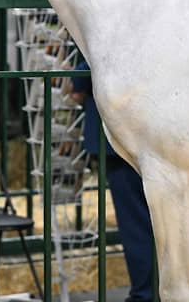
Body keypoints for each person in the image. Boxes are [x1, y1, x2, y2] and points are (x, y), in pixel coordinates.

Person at [70, 60, 153, 302]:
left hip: (121, 136)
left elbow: (100, 56)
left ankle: (145, 294)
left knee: (136, 223)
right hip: (151, 130)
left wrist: (77, 80)